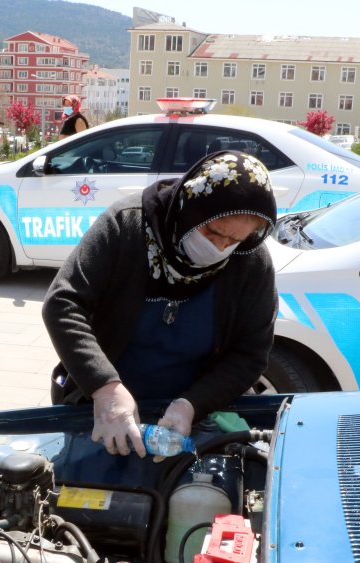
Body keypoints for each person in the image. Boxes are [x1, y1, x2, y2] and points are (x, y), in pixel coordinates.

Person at [42, 150, 278, 458]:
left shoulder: (250, 261)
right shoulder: (125, 226)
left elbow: (251, 353)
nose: (219, 248)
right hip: (104, 412)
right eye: (210, 232)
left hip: (192, 419)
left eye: (233, 241)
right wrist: (104, 388)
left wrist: (192, 405)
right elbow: (62, 303)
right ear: (189, 207)